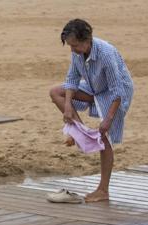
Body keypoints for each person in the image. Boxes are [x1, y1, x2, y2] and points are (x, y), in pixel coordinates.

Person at [49, 19, 133, 203]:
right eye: (70, 46)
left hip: (116, 94)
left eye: (76, 45)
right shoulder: (77, 53)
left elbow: (117, 91)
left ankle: (103, 190)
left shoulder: (106, 54)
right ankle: (81, 133)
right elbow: (71, 79)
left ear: (88, 40)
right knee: (56, 92)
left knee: (105, 137)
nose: (73, 50)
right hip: (95, 87)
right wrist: (69, 105)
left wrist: (108, 119)